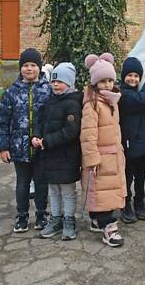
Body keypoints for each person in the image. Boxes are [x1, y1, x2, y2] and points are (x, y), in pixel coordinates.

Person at [0, 48, 52, 233]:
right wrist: (3, 147)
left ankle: (42, 215)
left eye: (33, 65)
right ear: (20, 68)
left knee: (42, 182)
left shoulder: (47, 89)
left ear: (40, 68)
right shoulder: (12, 91)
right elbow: (3, 120)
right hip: (18, 148)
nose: (29, 69)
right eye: (25, 65)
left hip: (41, 147)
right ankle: (21, 216)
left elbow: (52, 118)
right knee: (22, 183)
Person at [81, 53, 128, 247]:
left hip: (114, 154)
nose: (107, 84)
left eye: (110, 80)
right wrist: (92, 158)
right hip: (100, 158)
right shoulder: (92, 104)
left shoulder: (111, 101)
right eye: (103, 81)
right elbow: (88, 133)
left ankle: (96, 219)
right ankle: (109, 227)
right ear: (95, 83)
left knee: (107, 191)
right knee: (103, 193)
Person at [32, 62, 82, 240]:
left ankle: (69, 220)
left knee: (67, 191)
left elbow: (71, 131)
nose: (55, 84)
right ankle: (55, 219)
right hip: (49, 156)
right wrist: (36, 136)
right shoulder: (50, 101)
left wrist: (47, 141)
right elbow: (40, 122)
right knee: (53, 190)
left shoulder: (73, 103)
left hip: (66, 157)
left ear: (69, 82)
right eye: (53, 82)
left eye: (59, 81)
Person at [119, 57, 145, 223]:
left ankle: (139, 202)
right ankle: (125, 205)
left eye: (136, 76)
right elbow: (142, 100)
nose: (133, 79)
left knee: (141, 174)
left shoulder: (141, 92)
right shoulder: (123, 94)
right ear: (123, 77)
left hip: (143, 141)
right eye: (129, 75)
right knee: (128, 176)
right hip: (129, 143)